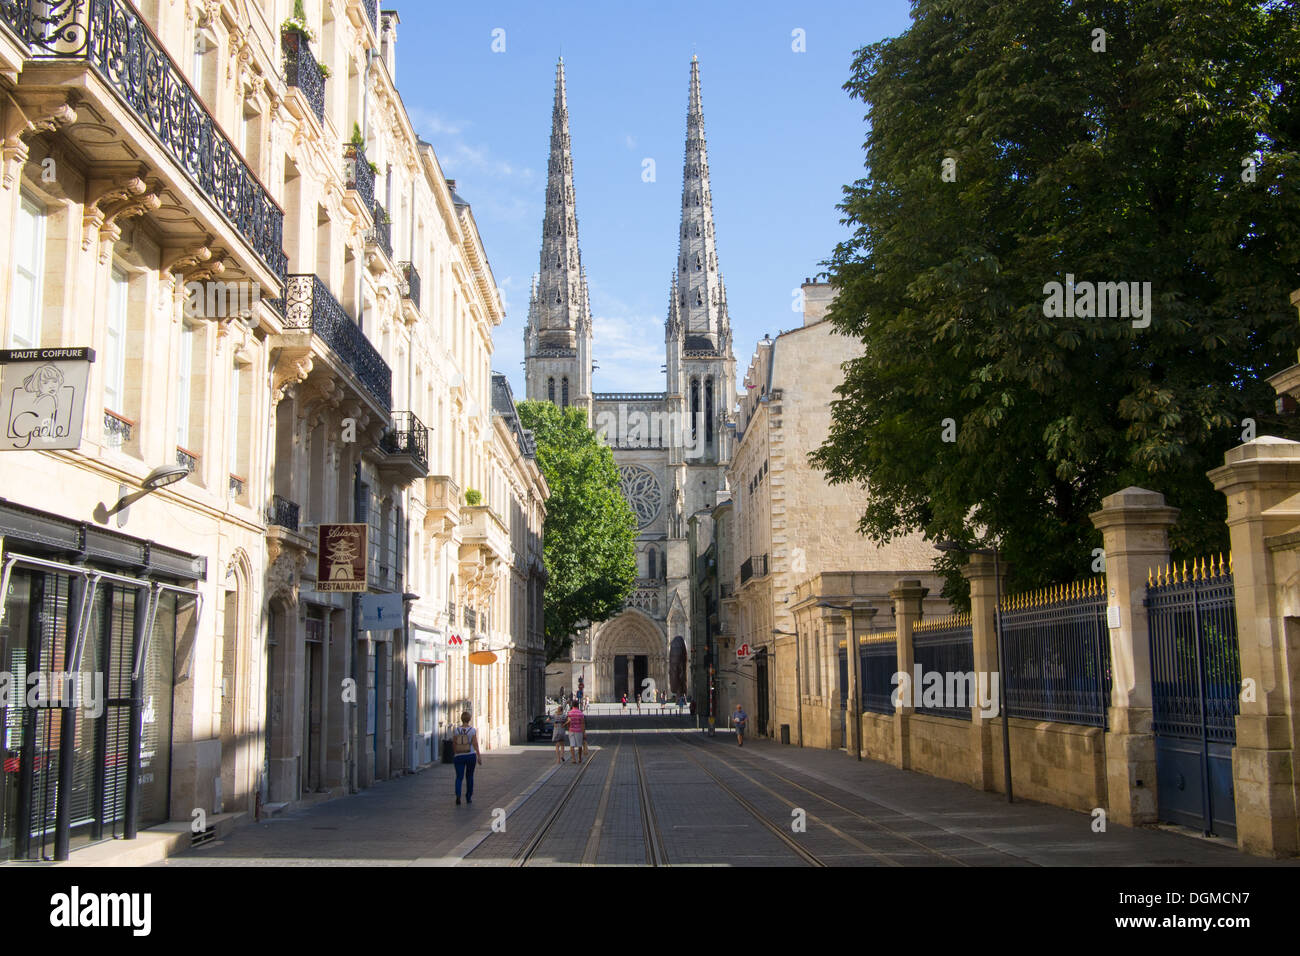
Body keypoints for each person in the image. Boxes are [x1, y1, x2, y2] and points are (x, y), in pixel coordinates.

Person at [450, 711, 481, 804]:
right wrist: (478, 755)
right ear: (469, 719)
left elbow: (454, 743)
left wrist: (455, 753)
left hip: (459, 756)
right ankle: (468, 796)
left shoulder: (456, 730)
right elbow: (475, 744)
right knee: (470, 776)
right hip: (470, 755)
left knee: (459, 777)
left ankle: (458, 795)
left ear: (461, 719)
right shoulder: (472, 730)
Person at [565, 699, 586, 765]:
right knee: (579, 745)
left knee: (572, 745)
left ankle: (573, 759)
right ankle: (579, 758)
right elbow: (582, 723)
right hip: (579, 731)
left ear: (572, 705)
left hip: (571, 730)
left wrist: (569, 729)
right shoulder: (580, 713)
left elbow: (568, 722)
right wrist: (584, 732)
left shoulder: (570, 713)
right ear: (578, 705)